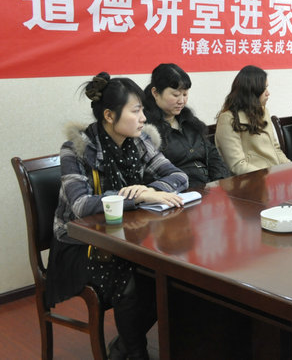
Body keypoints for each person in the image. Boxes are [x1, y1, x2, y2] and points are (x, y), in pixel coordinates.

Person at [47, 73, 188, 359]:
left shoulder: (140, 140)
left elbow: (179, 176)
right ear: (110, 115)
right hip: (80, 244)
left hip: (125, 236)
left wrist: (151, 190)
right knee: (130, 278)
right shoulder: (77, 148)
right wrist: (138, 197)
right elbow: (81, 206)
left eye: (142, 110)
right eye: (135, 111)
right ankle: (135, 351)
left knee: (167, 275)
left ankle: (124, 346)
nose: (143, 118)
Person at [143, 63, 230, 189]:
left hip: (207, 188)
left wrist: (219, 182)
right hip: (177, 191)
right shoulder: (147, 130)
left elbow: (212, 155)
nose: (181, 101)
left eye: (185, 94)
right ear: (155, 93)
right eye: (175, 95)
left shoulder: (190, 122)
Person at [215, 65, 290, 174]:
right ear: (252, 91)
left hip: (273, 175)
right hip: (252, 179)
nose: (268, 93)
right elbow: (237, 165)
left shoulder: (263, 111)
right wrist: (268, 177)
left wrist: (291, 168)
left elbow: (276, 149)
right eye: (263, 89)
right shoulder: (228, 119)